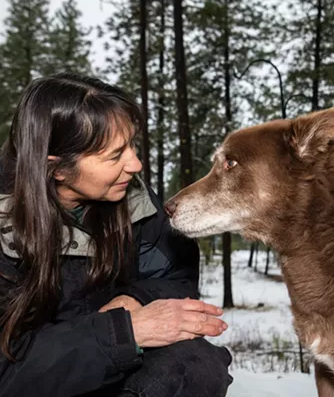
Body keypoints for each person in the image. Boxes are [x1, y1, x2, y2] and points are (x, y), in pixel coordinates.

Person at [0, 73, 233, 397]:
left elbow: (177, 276)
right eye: (114, 155)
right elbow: (9, 372)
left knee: (197, 365)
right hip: (37, 382)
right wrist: (123, 331)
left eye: (131, 145)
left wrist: (136, 300)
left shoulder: (134, 201)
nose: (135, 164)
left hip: (113, 369)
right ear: (57, 168)